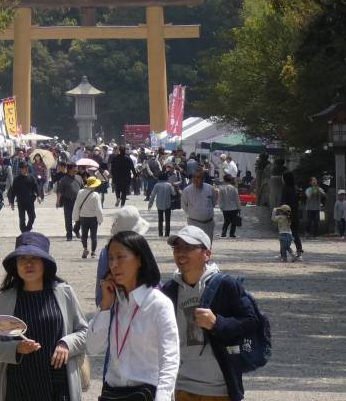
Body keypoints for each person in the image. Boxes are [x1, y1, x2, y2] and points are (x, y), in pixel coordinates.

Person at [162, 225, 268, 401]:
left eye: (188, 248)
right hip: (181, 387)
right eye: (177, 248)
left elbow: (252, 321)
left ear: (207, 254)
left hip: (219, 390)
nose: (181, 253)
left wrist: (217, 323)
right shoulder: (170, 290)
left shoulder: (224, 285)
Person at [0, 232, 89, 401]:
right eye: (22, 259)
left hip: (59, 387)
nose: (28, 264)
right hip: (18, 387)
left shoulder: (64, 292)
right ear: (16, 265)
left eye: (34, 258)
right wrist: (16, 348)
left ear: (45, 263)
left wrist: (66, 344)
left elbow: (85, 332)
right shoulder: (6, 298)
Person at [79, 229, 179, 400]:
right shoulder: (114, 303)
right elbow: (94, 347)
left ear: (139, 258)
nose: (114, 264)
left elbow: (169, 359)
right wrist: (104, 306)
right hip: (112, 393)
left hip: (145, 393)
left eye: (120, 257)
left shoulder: (158, 303)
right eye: (110, 258)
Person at [94, 206, 149, 307]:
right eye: (112, 258)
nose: (114, 265)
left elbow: (99, 295)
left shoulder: (106, 251)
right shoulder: (106, 253)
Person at [181, 169, 218, 244]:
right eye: (194, 177)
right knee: (195, 246)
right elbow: (184, 206)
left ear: (203, 179)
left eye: (198, 177)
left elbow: (213, 202)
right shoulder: (187, 190)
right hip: (194, 223)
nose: (195, 179)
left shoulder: (210, 188)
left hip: (208, 224)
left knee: (207, 246)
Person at [74, 175, 104, 259]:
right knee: (93, 236)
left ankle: (85, 249)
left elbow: (76, 206)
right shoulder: (96, 195)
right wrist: (100, 219)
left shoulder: (80, 192)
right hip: (93, 218)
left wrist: (75, 217)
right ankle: (93, 252)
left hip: (83, 217)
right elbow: (98, 208)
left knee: (84, 235)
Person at [9, 161, 43, 234]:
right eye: (24, 168)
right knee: (22, 219)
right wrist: (11, 202)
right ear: (21, 169)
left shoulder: (31, 177)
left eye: (27, 168)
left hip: (30, 201)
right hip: (21, 202)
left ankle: (27, 230)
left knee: (32, 217)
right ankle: (24, 232)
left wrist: (38, 196)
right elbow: (13, 191)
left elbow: (36, 187)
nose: (26, 169)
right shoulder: (16, 179)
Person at [278, 173, 303, 261]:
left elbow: (283, 203)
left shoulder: (285, 189)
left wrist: (280, 211)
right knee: (295, 234)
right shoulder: (295, 188)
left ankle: (283, 254)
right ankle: (299, 252)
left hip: (286, 216)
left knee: (283, 234)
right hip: (295, 214)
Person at [55, 162, 81, 241]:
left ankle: (76, 229)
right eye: (75, 168)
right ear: (69, 169)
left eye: (76, 168)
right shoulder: (64, 180)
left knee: (80, 218)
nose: (76, 169)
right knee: (68, 219)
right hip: (68, 202)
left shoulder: (79, 178)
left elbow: (82, 189)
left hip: (78, 201)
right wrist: (58, 201)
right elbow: (59, 191)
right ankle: (69, 235)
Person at [152, 169, 177, 238]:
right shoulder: (169, 185)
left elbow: (153, 195)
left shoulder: (157, 185)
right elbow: (173, 193)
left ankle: (160, 233)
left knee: (160, 220)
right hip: (168, 204)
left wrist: (150, 205)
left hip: (159, 204)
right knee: (167, 220)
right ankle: (167, 234)